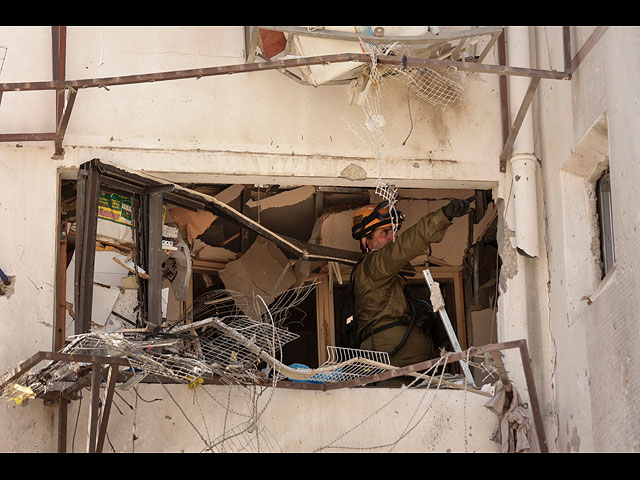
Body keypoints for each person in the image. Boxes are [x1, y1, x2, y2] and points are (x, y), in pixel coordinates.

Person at [350, 198, 470, 385]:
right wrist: (443, 216)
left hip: (408, 363)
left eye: (393, 231)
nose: (392, 237)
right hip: (392, 361)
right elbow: (406, 245)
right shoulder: (373, 265)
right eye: (385, 232)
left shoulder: (383, 272)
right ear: (366, 241)